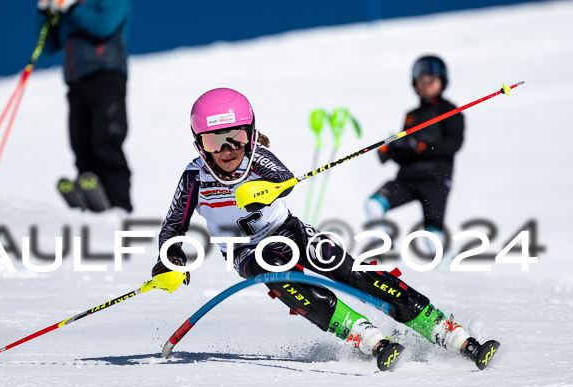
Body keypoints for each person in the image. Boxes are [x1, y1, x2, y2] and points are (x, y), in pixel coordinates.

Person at [152, 88, 498, 371]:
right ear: (200, 144)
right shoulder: (195, 177)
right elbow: (173, 225)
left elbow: (284, 180)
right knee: (282, 277)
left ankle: (444, 330)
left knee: (352, 271)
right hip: (247, 253)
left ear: (251, 134)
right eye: (214, 142)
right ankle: (366, 337)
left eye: (236, 138)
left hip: (291, 232)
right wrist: (169, 260)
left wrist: (267, 190)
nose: (227, 150)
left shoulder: (256, 158)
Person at [37, 0, 133, 214]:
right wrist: (44, 13)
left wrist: (72, 8)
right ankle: (89, 195)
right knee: (81, 143)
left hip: (107, 75)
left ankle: (119, 204)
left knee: (107, 140)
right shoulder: (72, 8)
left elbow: (103, 25)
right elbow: (49, 45)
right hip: (76, 83)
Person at [367, 55, 464, 249]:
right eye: (421, 82)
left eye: (431, 81)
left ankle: (448, 272)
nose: (426, 86)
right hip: (407, 178)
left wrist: (421, 147)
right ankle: (383, 251)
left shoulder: (450, 111)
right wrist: (393, 151)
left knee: (431, 236)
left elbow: (453, 144)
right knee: (374, 204)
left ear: (442, 82)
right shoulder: (412, 116)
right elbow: (407, 150)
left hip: (435, 179)